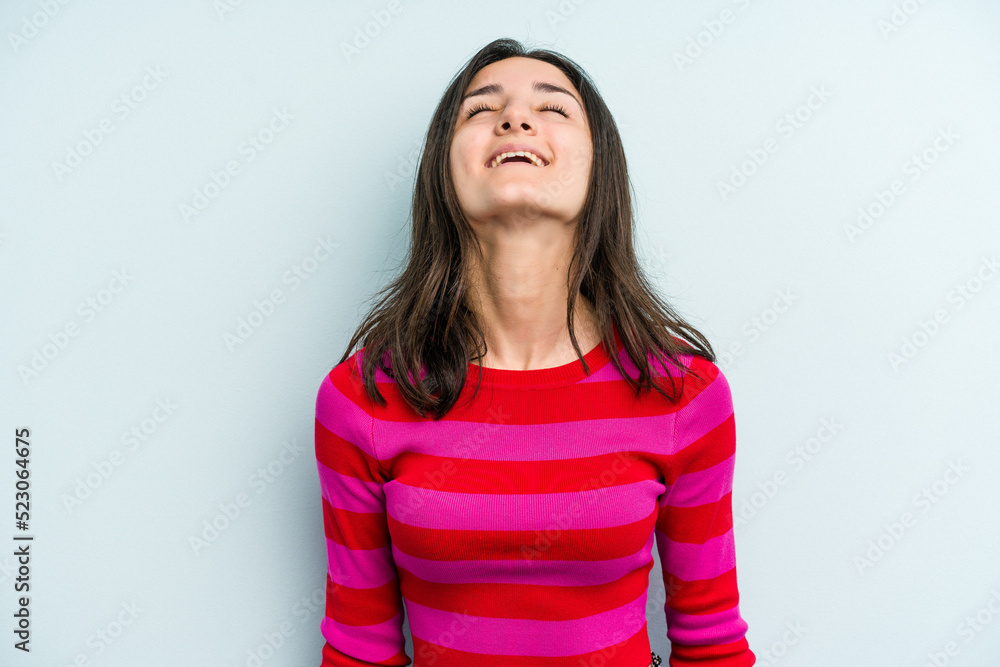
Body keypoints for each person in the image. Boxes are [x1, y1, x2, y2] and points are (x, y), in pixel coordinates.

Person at [313, 37, 756, 666]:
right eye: (480, 109)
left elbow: (711, 643)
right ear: (442, 171)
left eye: (553, 108)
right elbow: (359, 650)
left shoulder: (684, 394)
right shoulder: (362, 399)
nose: (516, 118)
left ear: (600, 170)